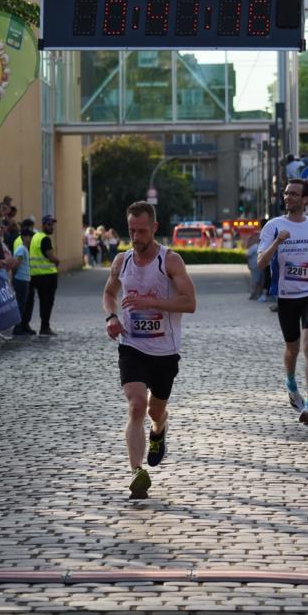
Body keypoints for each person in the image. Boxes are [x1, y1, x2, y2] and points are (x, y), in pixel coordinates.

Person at [102, 201, 196, 500]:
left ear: (154, 228)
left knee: (155, 410)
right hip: (132, 346)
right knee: (136, 405)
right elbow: (109, 293)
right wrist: (112, 316)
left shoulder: (171, 261)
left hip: (165, 351)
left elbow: (189, 303)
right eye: (131, 230)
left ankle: (160, 427)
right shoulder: (121, 261)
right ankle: (136, 472)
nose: (136, 237)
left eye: (142, 230)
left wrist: (150, 303)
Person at [257, 179, 308, 427]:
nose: (288, 197)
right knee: (292, 349)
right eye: (286, 193)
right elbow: (260, 262)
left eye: (294, 194)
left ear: (306, 199)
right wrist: (278, 242)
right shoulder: (274, 225)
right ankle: (291, 384)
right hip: (286, 296)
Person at [24, 215, 61, 336]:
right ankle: (45, 327)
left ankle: (31, 325)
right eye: (50, 225)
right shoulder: (45, 239)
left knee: (36, 301)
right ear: (44, 225)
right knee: (47, 302)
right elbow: (50, 257)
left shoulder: (35, 237)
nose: (52, 227)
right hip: (47, 275)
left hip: (34, 275)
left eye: (53, 225)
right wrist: (57, 261)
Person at [12, 227, 35, 335]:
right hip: (21, 279)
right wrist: (14, 276)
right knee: (21, 304)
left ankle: (20, 327)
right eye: (30, 236)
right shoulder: (22, 249)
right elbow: (16, 264)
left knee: (23, 303)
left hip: (24, 278)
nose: (31, 238)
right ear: (25, 237)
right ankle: (18, 328)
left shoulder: (24, 249)